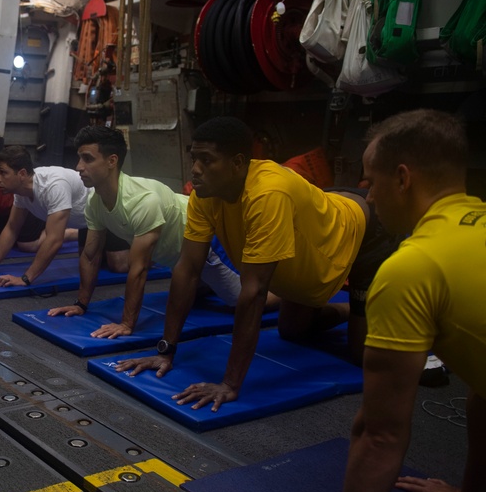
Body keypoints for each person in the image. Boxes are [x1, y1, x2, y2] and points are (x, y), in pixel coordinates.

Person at [276, 109, 486, 492]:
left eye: (370, 182)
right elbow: (481, 392)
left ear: (403, 178)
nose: (367, 197)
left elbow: (380, 433)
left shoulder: (413, 266)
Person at [116, 117, 398, 411]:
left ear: (238, 162)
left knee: (361, 355)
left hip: (364, 233)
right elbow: (187, 270)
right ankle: (349, 310)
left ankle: (373, 308)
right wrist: (166, 350)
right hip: (318, 237)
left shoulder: (267, 195)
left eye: (207, 160)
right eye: (194, 158)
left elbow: (253, 294)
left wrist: (230, 384)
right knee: (292, 331)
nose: (196, 170)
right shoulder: (206, 194)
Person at [47, 126, 259, 340]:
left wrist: (126, 324)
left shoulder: (142, 201)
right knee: (199, 292)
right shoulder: (95, 203)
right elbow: (90, 256)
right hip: (179, 259)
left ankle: (286, 295)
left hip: (209, 244)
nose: (79, 167)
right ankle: (207, 285)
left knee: (245, 301)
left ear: (112, 161)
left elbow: (139, 268)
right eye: (79, 159)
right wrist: (81, 304)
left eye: (87, 159)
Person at [0, 144, 112, 287]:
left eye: (3, 173)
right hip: (86, 223)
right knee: (89, 262)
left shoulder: (54, 185)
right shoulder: (21, 192)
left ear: (22, 174)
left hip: (109, 216)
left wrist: (25, 278)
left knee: (118, 263)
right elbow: (12, 228)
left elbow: (54, 240)